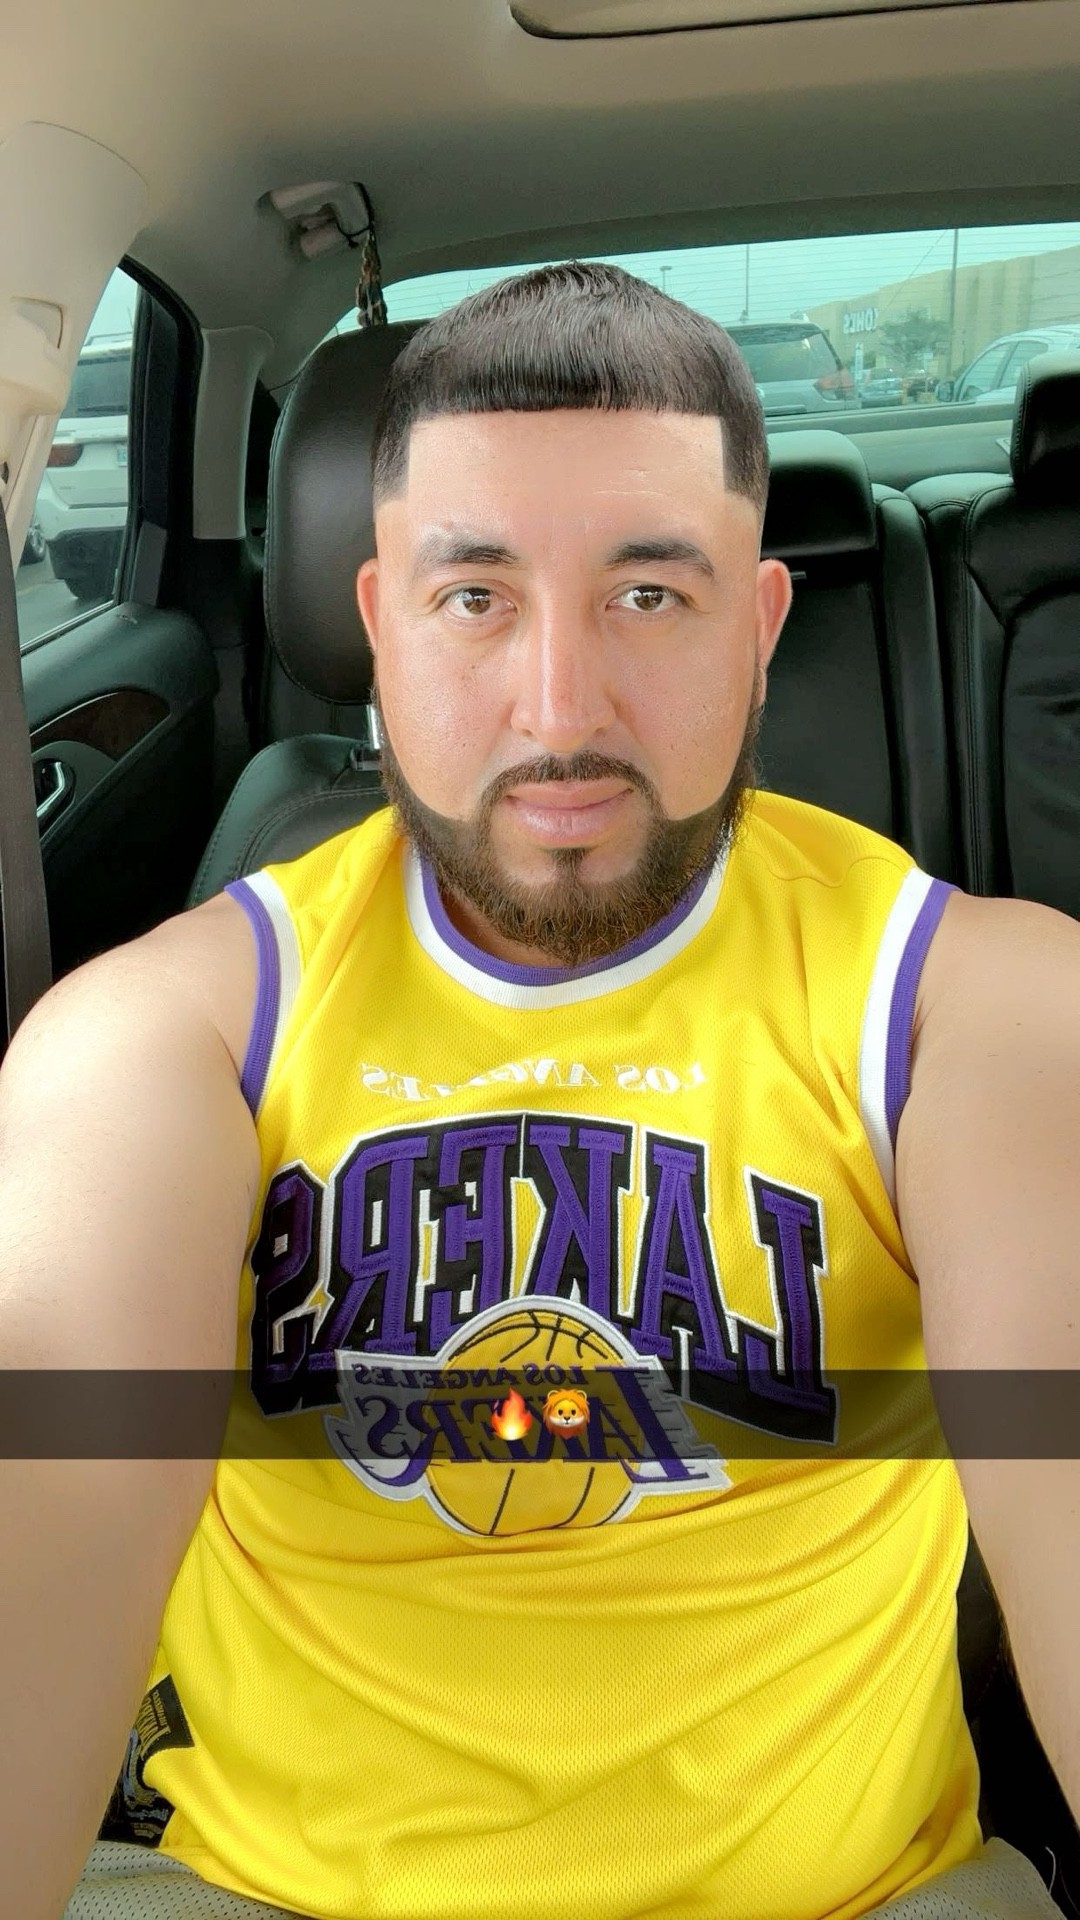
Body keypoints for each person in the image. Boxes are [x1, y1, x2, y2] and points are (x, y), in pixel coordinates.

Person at [1, 262, 1076, 1920]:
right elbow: (51, 1519)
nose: (561, 709)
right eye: (475, 598)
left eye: (649, 594)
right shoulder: (171, 1035)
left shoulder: (964, 1008)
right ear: (379, 628)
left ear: (760, 629)